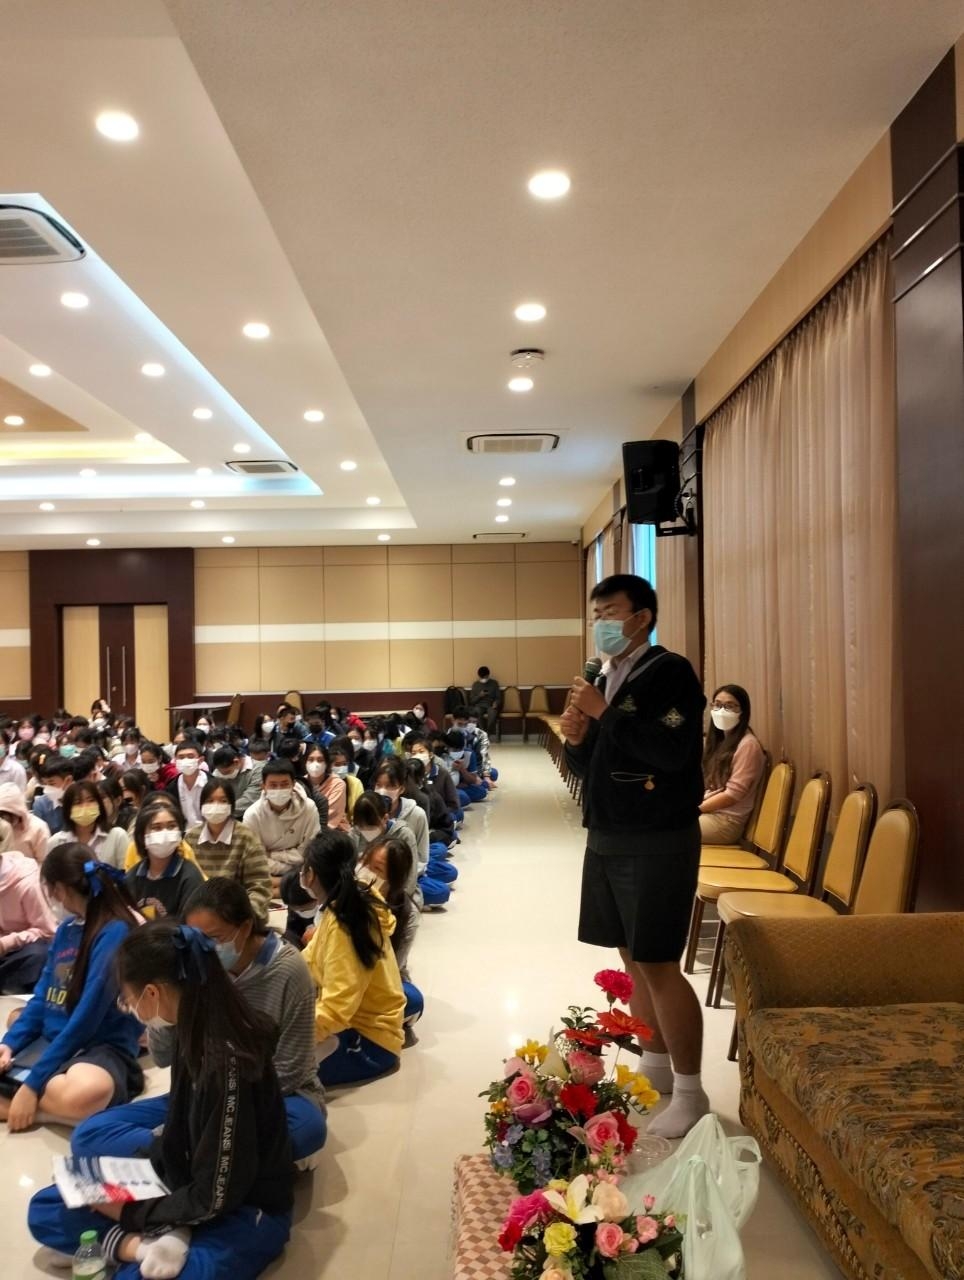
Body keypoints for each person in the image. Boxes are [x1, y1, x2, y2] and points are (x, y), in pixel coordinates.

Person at [28, 922, 294, 1279]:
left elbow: (218, 1195)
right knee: (48, 1203)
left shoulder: (227, 1060)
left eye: (127, 998)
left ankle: (135, 1242)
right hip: (184, 1182)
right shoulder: (191, 1027)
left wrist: (126, 1211)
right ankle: (137, 1247)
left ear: (152, 993)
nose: (128, 1007)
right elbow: (177, 1138)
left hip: (243, 1208)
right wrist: (112, 1186)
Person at [563, 573, 708, 1139]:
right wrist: (579, 739)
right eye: (596, 612)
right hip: (609, 832)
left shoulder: (670, 672)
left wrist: (603, 713)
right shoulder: (605, 675)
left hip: (657, 837)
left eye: (611, 611)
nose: (601, 621)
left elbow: (670, 752)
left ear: (641, 617)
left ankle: (691, 1092)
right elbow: (592, 768)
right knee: (631, 958)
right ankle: (657, 1067)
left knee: (660, 962)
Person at [73, 876, 327, 1171]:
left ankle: (190, 1153)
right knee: (89, 1134)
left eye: (214, 938)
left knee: (307, 1129)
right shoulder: (193, 965)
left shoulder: (288, 970)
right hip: (202, 1093)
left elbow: (291, 1070)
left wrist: (215, 1118)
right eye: (196, 939)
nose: (205, 948)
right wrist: (160, 1003)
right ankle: (195, 1154)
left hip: (272, 1098)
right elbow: (163, 1056)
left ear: (245, 928)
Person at [0, 847, 143, 1130]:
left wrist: (32, 1085)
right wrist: (8, 1045)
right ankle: (34, 1099)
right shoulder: (66, 929)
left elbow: (87, 1019)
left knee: (88, 1090)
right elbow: (42, 997)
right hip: (56, 1039)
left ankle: (28, 1107)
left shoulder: (115, 931)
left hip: (99, 1046)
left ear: (60, 889)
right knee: (17, 1022)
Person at [300, 830, 405, 1086]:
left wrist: (290, 1035)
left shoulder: (345, 922)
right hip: (357, 1021)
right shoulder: (345, 904)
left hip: (369, 1041)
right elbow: (308, 959)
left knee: (270, 1072)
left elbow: (335, 1010)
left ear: (310, 874)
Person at [358, 834, 424, 1027]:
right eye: (365, 863)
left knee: (412, 999)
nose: (366, 872)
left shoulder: (407, 915)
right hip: (339, 973)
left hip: (379, 980)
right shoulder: (348, 891)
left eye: (377, 869)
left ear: (394, 881)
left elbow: (393, 968)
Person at [698, 684, 766, 844]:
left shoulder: (748, 745)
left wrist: (695, 809)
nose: (722, 711)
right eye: (717, 705)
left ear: (742, 712)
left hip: (725, 821)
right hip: (710, 814)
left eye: (729, 706)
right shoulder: (719, 741)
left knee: (668, 828)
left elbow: (733, 795)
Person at [0, 818, 56, 992]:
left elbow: (47, 931)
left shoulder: (26, 882)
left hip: (20, 949)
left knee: (39, 955)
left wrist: (6, 943)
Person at [243, 760, 320, 884]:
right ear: (263, 786)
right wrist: (288, 870)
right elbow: (256, 859)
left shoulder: (309, 808)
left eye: (284, 784)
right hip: (266, 874)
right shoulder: (252, 815)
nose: (279, 789)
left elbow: (308, 851)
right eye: (273, 785)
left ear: (293, 784)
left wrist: (271, 854)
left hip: (303, 872)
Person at [126, 801, 205, 920]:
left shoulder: (190, 877)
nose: (165, 833)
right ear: (142, 837)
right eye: (156, 828)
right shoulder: (131, 877)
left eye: (171, 826)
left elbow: (191, 926)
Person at [47, 780, 129, 868]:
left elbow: (126, 873)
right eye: (77, 802)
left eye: (91, 800)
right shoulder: (56, 842)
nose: (85, 806)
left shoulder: (117, 836)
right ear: (68, 809)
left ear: (99, 804)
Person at [0, 780, 50, 863]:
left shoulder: (38, 828)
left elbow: (43, 862)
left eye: (5, 814)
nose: (3, 820)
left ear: (17, 811)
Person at [210, 744, 263, 817]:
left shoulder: (258, 769)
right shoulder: (219, 770)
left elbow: (250, 799)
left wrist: (222, 811)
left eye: (227, 772)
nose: (224, 775)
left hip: (250, 816)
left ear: (236, 762)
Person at [305, 744, 349, 831]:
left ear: (326, 763)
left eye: (320, 760)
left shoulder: (337, 784)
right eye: (311, 760)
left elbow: (328, 817)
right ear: (305, 762)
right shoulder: (300, 784)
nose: (315, 764)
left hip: (332, 831)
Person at [166, 738, 208, 828]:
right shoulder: (171, 787)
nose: (185, 760)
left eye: (190, 756)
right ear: (175, 761)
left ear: (200, 760)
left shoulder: (213, 784)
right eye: (181, 757)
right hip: (183, 832)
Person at [444, 728, 488, 805]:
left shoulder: (469, 754)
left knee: (482, 791)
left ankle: (455, 798)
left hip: (463, 785)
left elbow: (473, 779)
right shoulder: (442, 755)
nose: (457, 752)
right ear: (447, 747)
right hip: (447, 787)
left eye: (459, 749)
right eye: (454, 750)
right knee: (463, 797)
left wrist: (462, 769)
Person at [31, 754, 73, 835]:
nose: (47, 789)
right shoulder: (41, 804)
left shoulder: (80, 801)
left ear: (68, 780)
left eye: (51, 784)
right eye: (45, 784)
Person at [328, 738, 364, 822]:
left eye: (344, 764)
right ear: (328, 766)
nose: (342, 768)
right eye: (337, 765)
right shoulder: (322, 783)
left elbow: (360, 813)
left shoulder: (355, 783)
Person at [469, 666, 501, 734]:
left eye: (485, 677)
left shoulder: (494, 683)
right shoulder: (475, 685)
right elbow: (472, 701)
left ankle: (488, 732)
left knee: (493, 713)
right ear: (479, 676)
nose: (484, 679)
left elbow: (498, 697)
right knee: (477, 711)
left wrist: (496, 703)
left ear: (488, 675)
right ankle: (483, 732)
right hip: (479, 705)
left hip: (491, 705)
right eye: (482, 677)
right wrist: (479, 696)